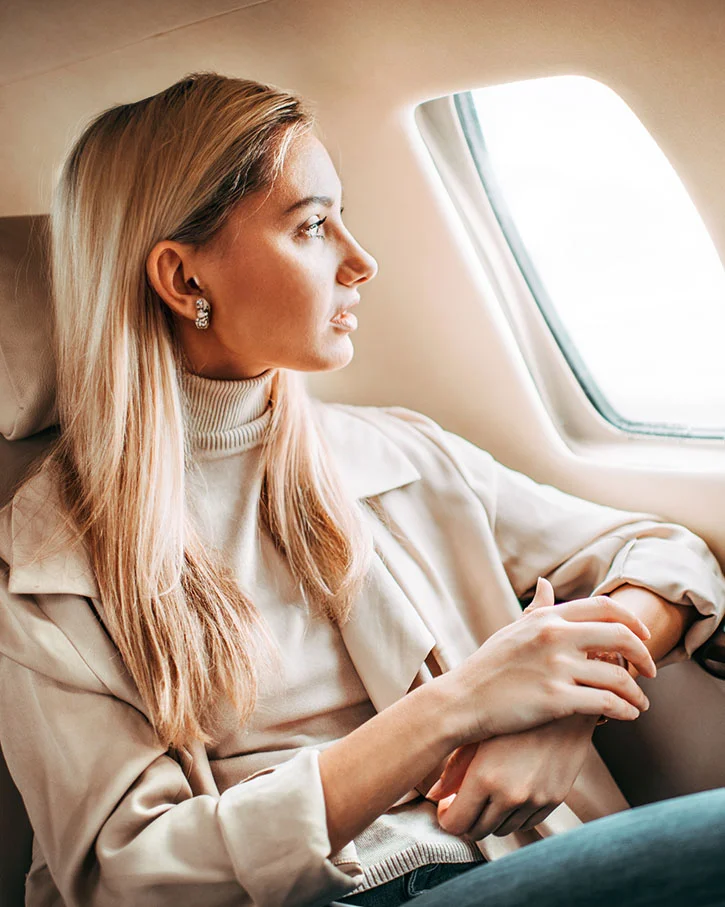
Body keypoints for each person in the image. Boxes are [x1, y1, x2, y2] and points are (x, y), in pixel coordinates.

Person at [0, 71, 724, 907]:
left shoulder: (398, 453)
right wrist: (459, 707)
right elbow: (132, 874)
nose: (360, 260)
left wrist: (561, 706)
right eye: (311, 225)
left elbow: (664, 551)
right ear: (185, 280)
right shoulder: (45, 559)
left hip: (496, 861)